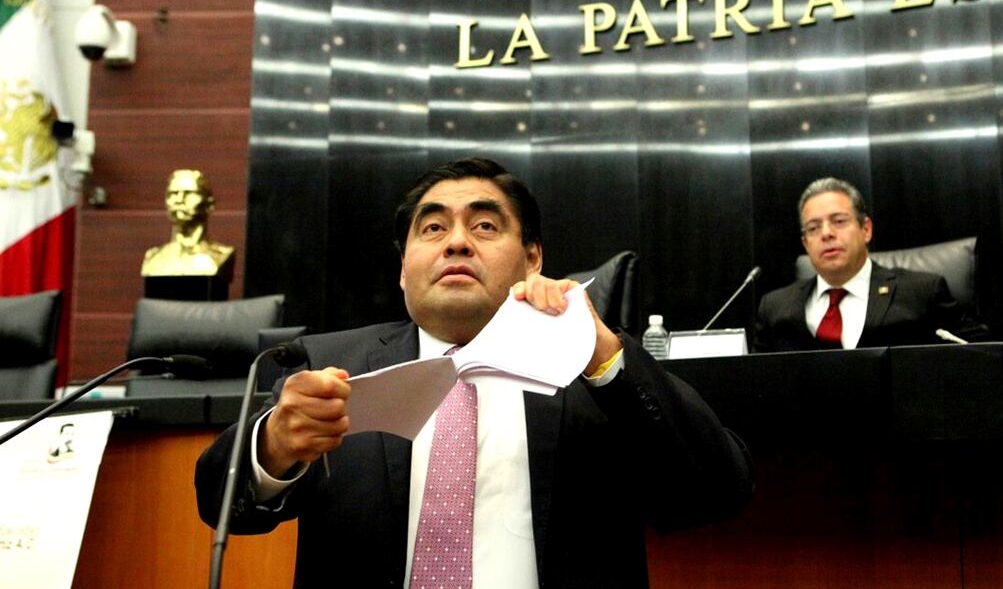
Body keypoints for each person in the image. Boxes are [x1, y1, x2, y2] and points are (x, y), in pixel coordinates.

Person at [195, 157, 753, 588]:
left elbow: (717, 492)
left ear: (533, 258)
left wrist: (603, 353)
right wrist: (271, 446)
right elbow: (220, 502)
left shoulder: (589, 369)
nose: (457, 240)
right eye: (432, 229)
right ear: (403, 267)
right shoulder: (326, 366)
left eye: (484, 226)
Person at [755, 177, 987, 352]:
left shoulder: (921, 292)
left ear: (866, 229)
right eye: (813, 228)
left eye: (838, 221)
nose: (826, 234)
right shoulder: (774, 308)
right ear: (805, 243)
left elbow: (983, 354)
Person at [140, 169, 234, 276]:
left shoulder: (221, 256)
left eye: (189, 193)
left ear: (209, 205)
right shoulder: (153, 257)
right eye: (173, 193)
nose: (179, 200)